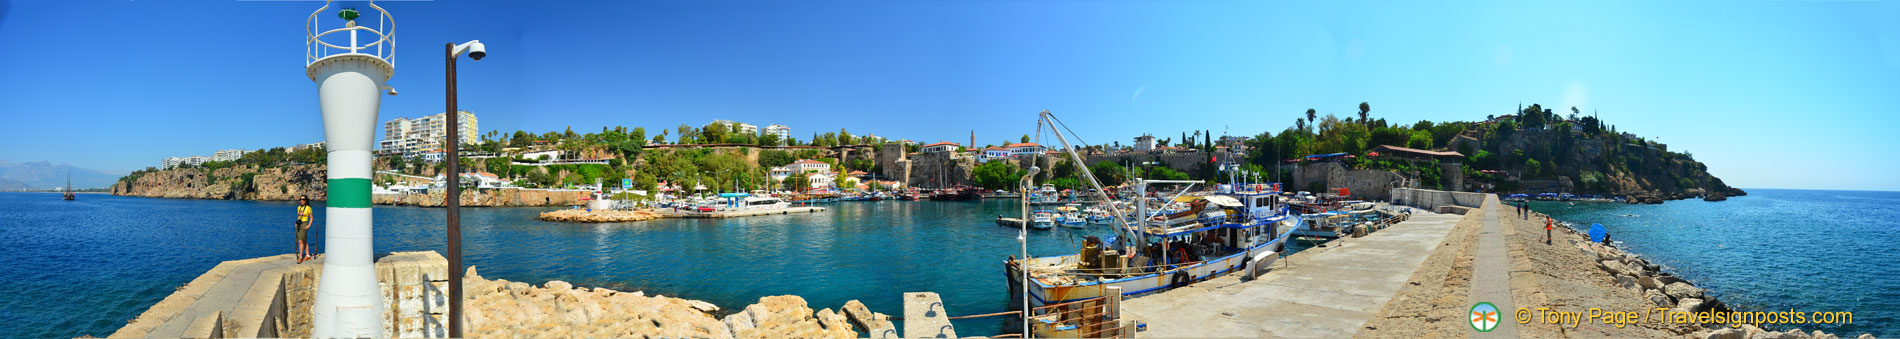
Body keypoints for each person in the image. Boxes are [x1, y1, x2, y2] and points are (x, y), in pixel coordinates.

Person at [295, 195, 315, 263]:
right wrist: (296, 223)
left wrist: (309, 225)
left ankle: (300, 257)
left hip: (304, 224)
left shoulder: (308, 208)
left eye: (303, 199)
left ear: (306, 200)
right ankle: (308, 255)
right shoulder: (299, 207)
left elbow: (311, 217)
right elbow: (298, 216)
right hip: (299, 224)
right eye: (300, 199)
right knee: (304, 241)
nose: (301, 200)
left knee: (300, 241)